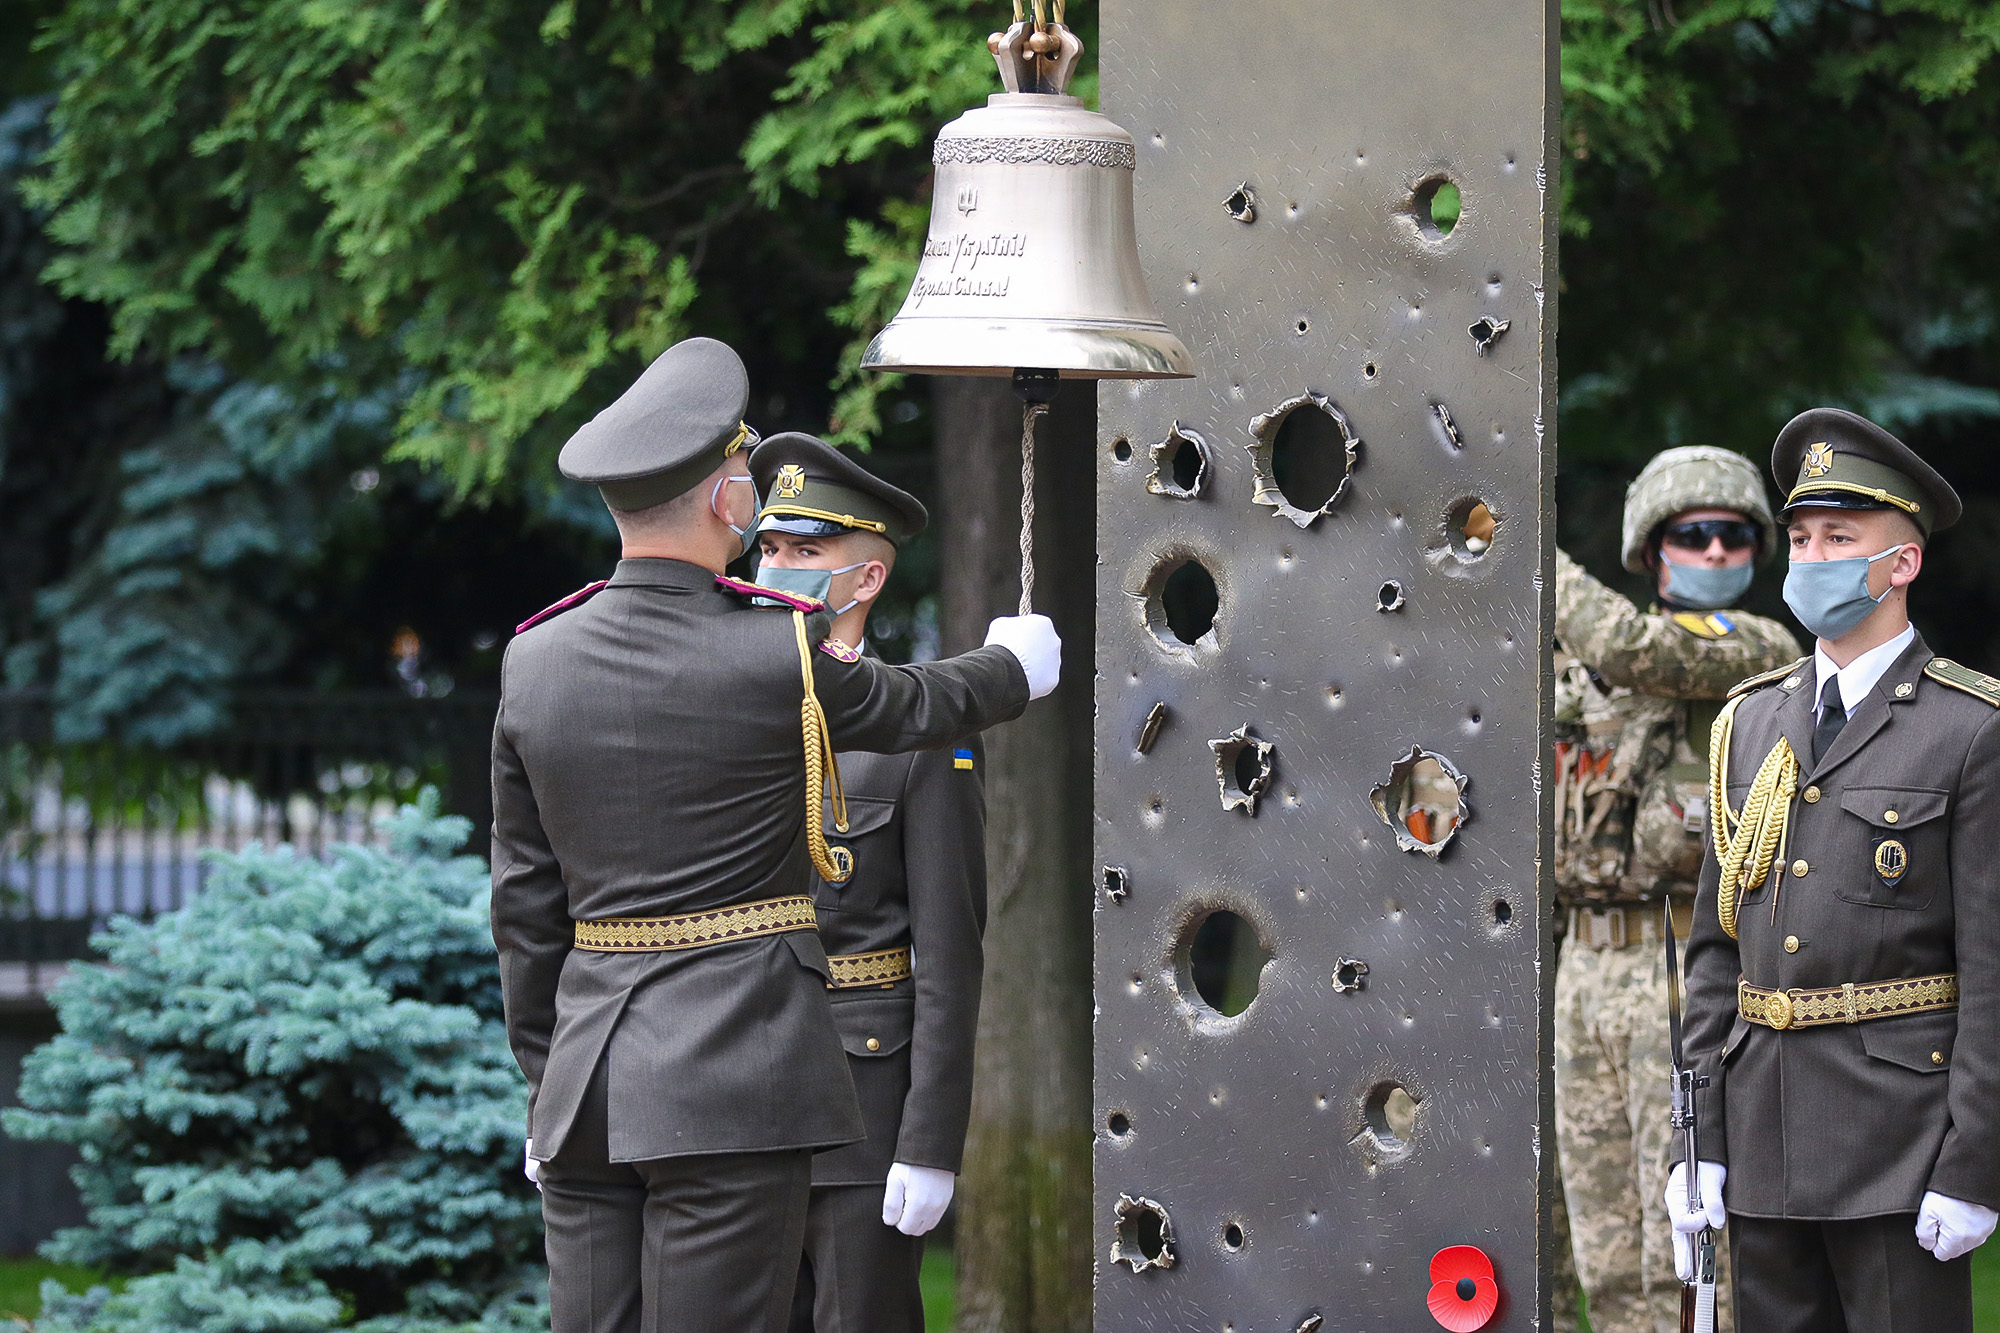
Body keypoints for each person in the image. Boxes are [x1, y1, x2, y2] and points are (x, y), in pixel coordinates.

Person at [488, 337, 1062, 1333]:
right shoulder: (772, 650)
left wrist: (549, 1083)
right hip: (731, 1086)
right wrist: (1013, 668)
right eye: (743, 481)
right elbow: (913, 702)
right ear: (724, 500)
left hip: (585, 1088)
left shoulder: (532, 659)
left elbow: (526, 911)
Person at [1669, 407, 1999, 1332]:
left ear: (1903, 563)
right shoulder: (1752, 724)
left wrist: (1976, 1165)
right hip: (1763, 1140)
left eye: (1840, 538)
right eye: (1802, 536)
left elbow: (1993, 970)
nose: (1811, 558)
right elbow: (1713, 957)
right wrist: (1693, 1144)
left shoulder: (1971, 730)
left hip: (1900, 1147)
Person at [1552, 446, 1802, 1333]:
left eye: (1736, 537)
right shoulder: (1577, 671)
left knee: (1694, 1249)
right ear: (1652, 548)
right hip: (1582, 967)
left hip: (1684, 972)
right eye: (1692, 535)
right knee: (1607, 1249)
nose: (1717, 553)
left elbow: (1628, 643)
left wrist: (1521, 544)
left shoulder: (1759, 649)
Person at [741, 433, 983, 1333]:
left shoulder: (920, 731)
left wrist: (928, 1145)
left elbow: (952, 956)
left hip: (861, 1106)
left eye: (806, 553)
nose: (778, 569)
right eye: (769, 548)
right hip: (737, 1095)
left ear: (866, 580)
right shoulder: (729, 712)